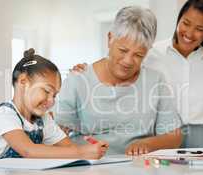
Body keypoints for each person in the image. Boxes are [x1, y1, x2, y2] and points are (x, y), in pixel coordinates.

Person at [72, 0, 203, 148]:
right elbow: (122, 64)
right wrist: (88, 73)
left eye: (199, 29)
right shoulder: (153, 52)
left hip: (197, 136)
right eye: (185, 23)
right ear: (178, 20)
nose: (189, 33)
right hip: (159, 135)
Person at [0, 48, 108, 175]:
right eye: (47, 91)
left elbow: (70, 149)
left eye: (55, 95)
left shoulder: (44, 120)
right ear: (23, 82)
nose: (51, 100)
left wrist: (89, 151)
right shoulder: (5, 114)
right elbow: (29, 150)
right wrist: (82, 153)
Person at [55, 6, 182, 156]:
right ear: (110, 38)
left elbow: (175, 136)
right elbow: (57, 133)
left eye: (139, 55)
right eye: (123, 50)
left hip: (138, 168)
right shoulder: (78, 78)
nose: (128, 61)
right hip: (89, 168)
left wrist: (147, 143)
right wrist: (81, 152)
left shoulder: (156, 80)